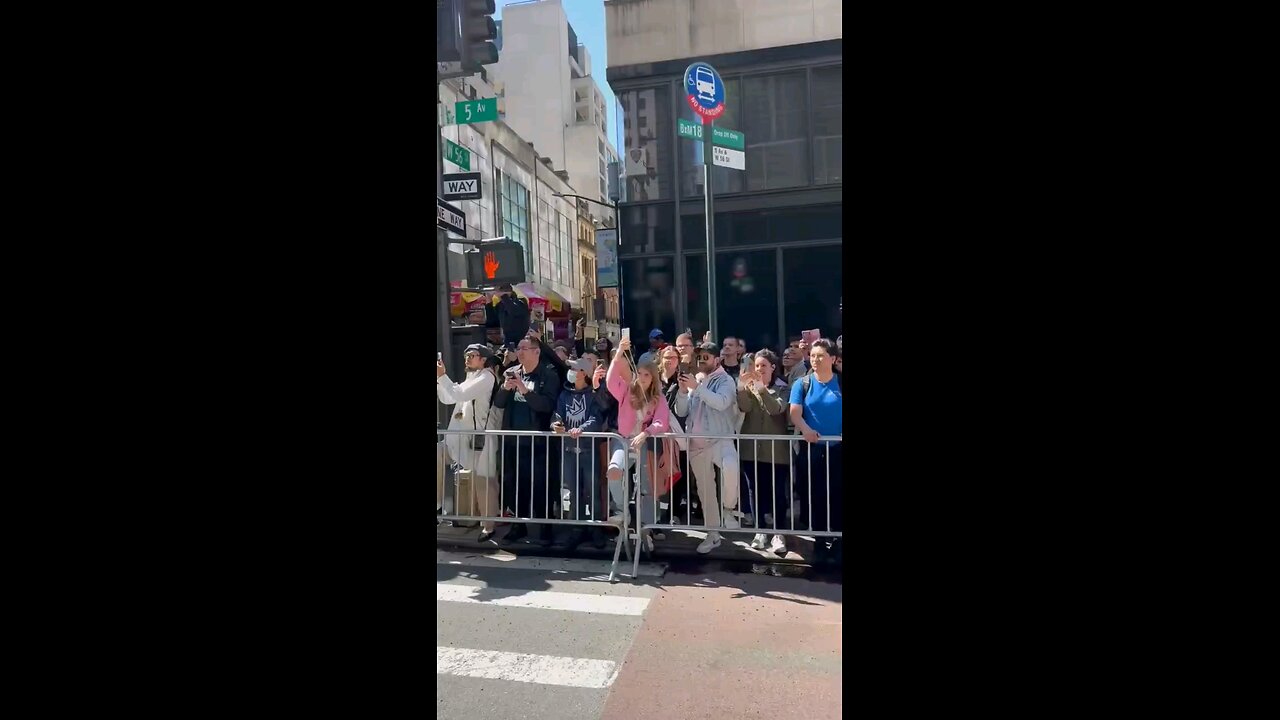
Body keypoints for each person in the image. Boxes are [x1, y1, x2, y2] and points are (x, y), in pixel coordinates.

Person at [493, 337, 561, 546]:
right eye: (518, 348)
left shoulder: (548, 376)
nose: (520, 352)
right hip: (514, 440)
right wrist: (505, 387)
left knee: (542, 485)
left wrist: (524, 389)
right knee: (516, 485)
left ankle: (545, 527)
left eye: (524, 348)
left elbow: (546, 405)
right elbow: (499, 403)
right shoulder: (512, 372)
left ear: (536, 352)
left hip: (539, 442)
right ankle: (517, 525)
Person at [675, 341, 742, 554]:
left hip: (720, 440)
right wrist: (683, 392)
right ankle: (712, 534)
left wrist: (697, 387)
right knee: (706, 492)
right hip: (697, 445)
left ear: (717, 359)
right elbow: (682, 410)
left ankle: (729, 509)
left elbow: (722, 402)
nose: (702, 360)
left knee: (731, 468)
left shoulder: (726, 380)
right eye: (699, 357)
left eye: (706, 357)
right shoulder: (698, 380)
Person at [607, 335, 670, 554]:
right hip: (624, 440)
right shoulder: (627, 391)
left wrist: (647, 432)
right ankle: (622, 513)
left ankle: (646, 529)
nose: (642, 378)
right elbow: (610, 381)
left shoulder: (658, 398)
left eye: (646, 375)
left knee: (647, 488)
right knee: (614, 470)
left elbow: (662, 421)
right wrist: (618, 353)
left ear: (653, 378)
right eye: (640, 374)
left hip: (646, 444)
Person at [436, 345, 502, 541]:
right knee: (438, 454)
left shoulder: (486, 377)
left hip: (481, 437)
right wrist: (440, 379)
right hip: (461, 437)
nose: (467, 359)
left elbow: (459, 394)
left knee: (485, 482)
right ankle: (437, 506)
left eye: (472, 356)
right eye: (466, 355)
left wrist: (442, 377)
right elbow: (449, 397)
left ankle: (488, 527)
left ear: (483, 359)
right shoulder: (473, 377)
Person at [789, 338, 843, 564]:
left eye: (820, 355)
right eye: (812, 355)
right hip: (813, 449)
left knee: (839, 496)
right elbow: (795, 413)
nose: (815, 359)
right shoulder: (802, 384)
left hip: (839, 449)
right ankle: (820, 541)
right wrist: (806, 430)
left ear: (832, 359)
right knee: (816, 496)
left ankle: (839, 542)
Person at [736, 349, 792, 555]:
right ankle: (760, 531)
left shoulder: (783, 388)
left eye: (763, 366)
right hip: (752, 449)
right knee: (754, 490)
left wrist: (761, 388)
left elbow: (776, 409)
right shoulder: (750, 388)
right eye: (756, 366)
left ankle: (779, 533)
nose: (759, 369)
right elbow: (744, 407)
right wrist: (742, 387)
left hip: (776, 451)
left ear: (773, 367)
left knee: (778, 492)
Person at [550, 358, 605, 550]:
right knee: (573, 492)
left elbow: (596, 418)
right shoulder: (564, 394)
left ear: (585, 373)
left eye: (575, 368)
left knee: (593, 492)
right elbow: (557, 414)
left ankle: (596, 529)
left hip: (588, 450)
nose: (571, 371)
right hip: (569, 450)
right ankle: (576, 528)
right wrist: (555, 424)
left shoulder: (593, 395)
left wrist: (581, 429)